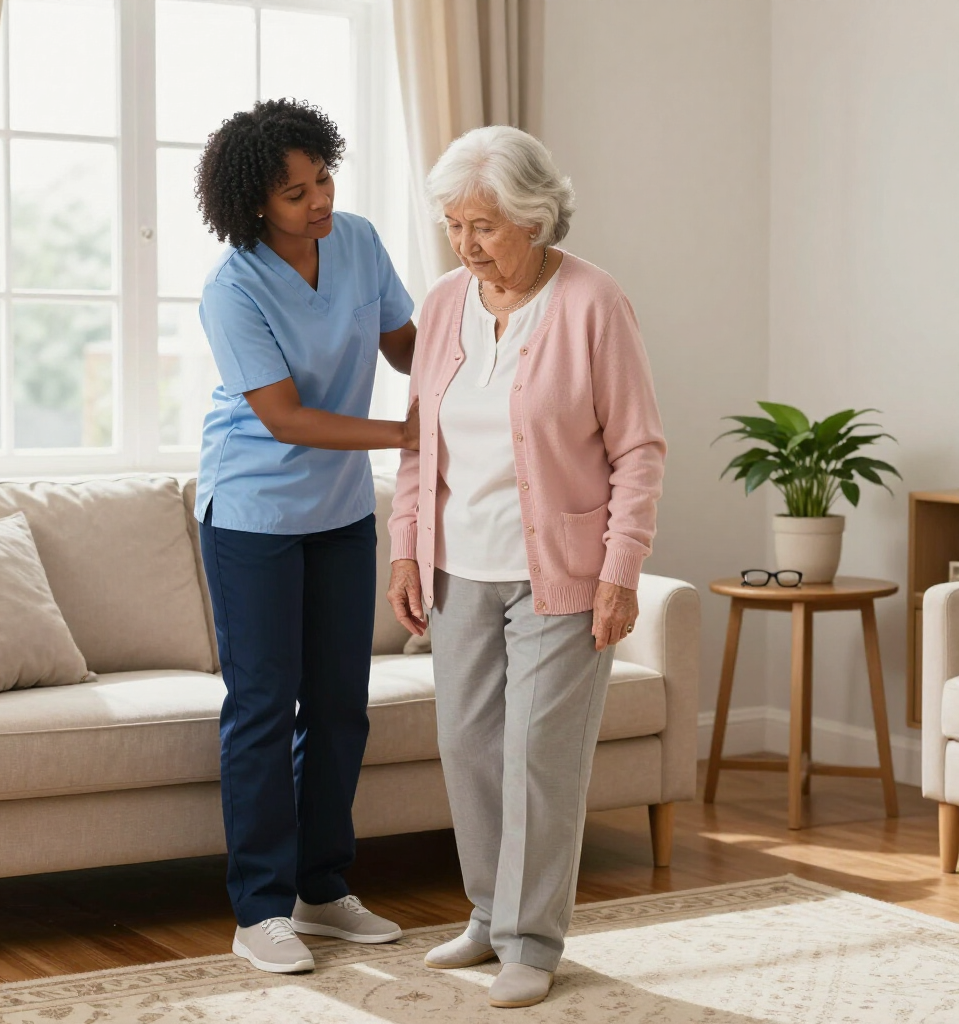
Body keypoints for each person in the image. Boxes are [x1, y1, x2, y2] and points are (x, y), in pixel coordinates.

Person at [387, 125, 666, 1009]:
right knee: (468, 750)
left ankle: (532, 940)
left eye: (486, 227)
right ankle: (487, 914)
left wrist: (620, 572)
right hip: (457, 566)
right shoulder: (441, 305)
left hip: (564, 574)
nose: (467, 246)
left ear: (538, 219)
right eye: (454, 226)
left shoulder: (593, 303)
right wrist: (406, 547)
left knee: (540, 758)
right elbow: (415, 445)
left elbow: (640, 450)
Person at [194, 98, 417, 975]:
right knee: (262, 708)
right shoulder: (234, 286)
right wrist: (405, 436)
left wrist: (490, 336)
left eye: (323, 178)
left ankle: (321, 891)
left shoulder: (357, 240)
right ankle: (259, 911)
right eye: (295, 192)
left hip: (340, 510)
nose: (318, 199)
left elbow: (404, 343)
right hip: (253, 512)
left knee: (337, 706)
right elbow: (283, 418)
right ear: (256, 203)